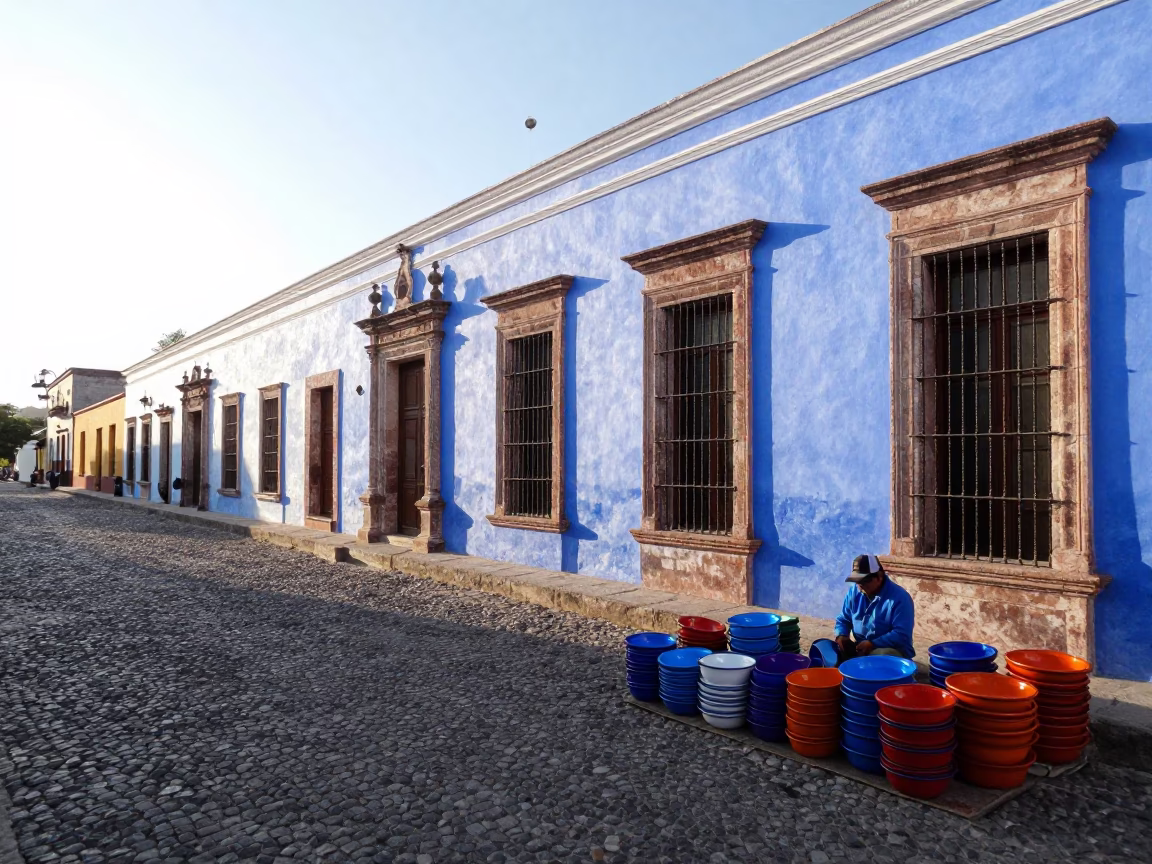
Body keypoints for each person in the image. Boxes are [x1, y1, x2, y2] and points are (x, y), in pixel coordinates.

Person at [833, 554, 915, 662]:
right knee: (830, 651)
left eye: (865, 581)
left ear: (879, 577)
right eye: (857, 581)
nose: (860, 585)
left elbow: (901, 634)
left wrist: (873, 644)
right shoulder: (854, 592)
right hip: (861, 648)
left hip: (890, 650)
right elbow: (843, 619)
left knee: (879, 657)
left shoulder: (900, 598)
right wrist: (842, 635)